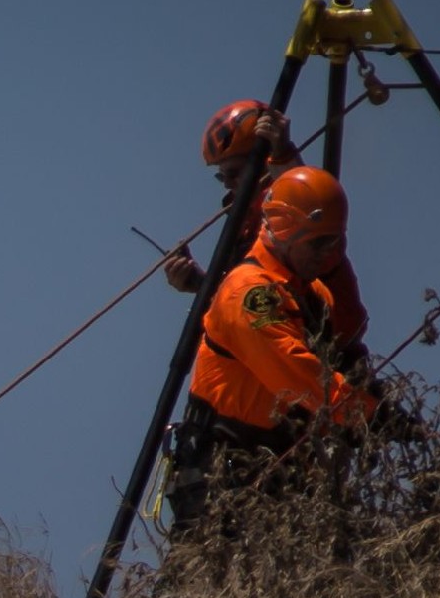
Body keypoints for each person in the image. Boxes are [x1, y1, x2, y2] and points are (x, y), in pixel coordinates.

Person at [170, 167, 381, 532]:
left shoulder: (308, 293)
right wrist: (373, 416)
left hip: (279, 474)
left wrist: (376, 401)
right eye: (319, 243)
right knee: (216, 584)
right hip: (225, 478)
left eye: (336, 242)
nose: (328, 253)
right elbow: (298, 375)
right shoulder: (250, 294)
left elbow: (344, 346)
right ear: (284, 229)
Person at [163, 100, 368, 354]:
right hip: (283, 354)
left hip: (328, 354)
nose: (228, 183)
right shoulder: (244, 226)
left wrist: (283, 153)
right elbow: (254, 301)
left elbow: (311, 219)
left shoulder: (291, 213)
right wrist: (201, 284)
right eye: (221, 176)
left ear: (264, 161)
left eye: (234, 172)